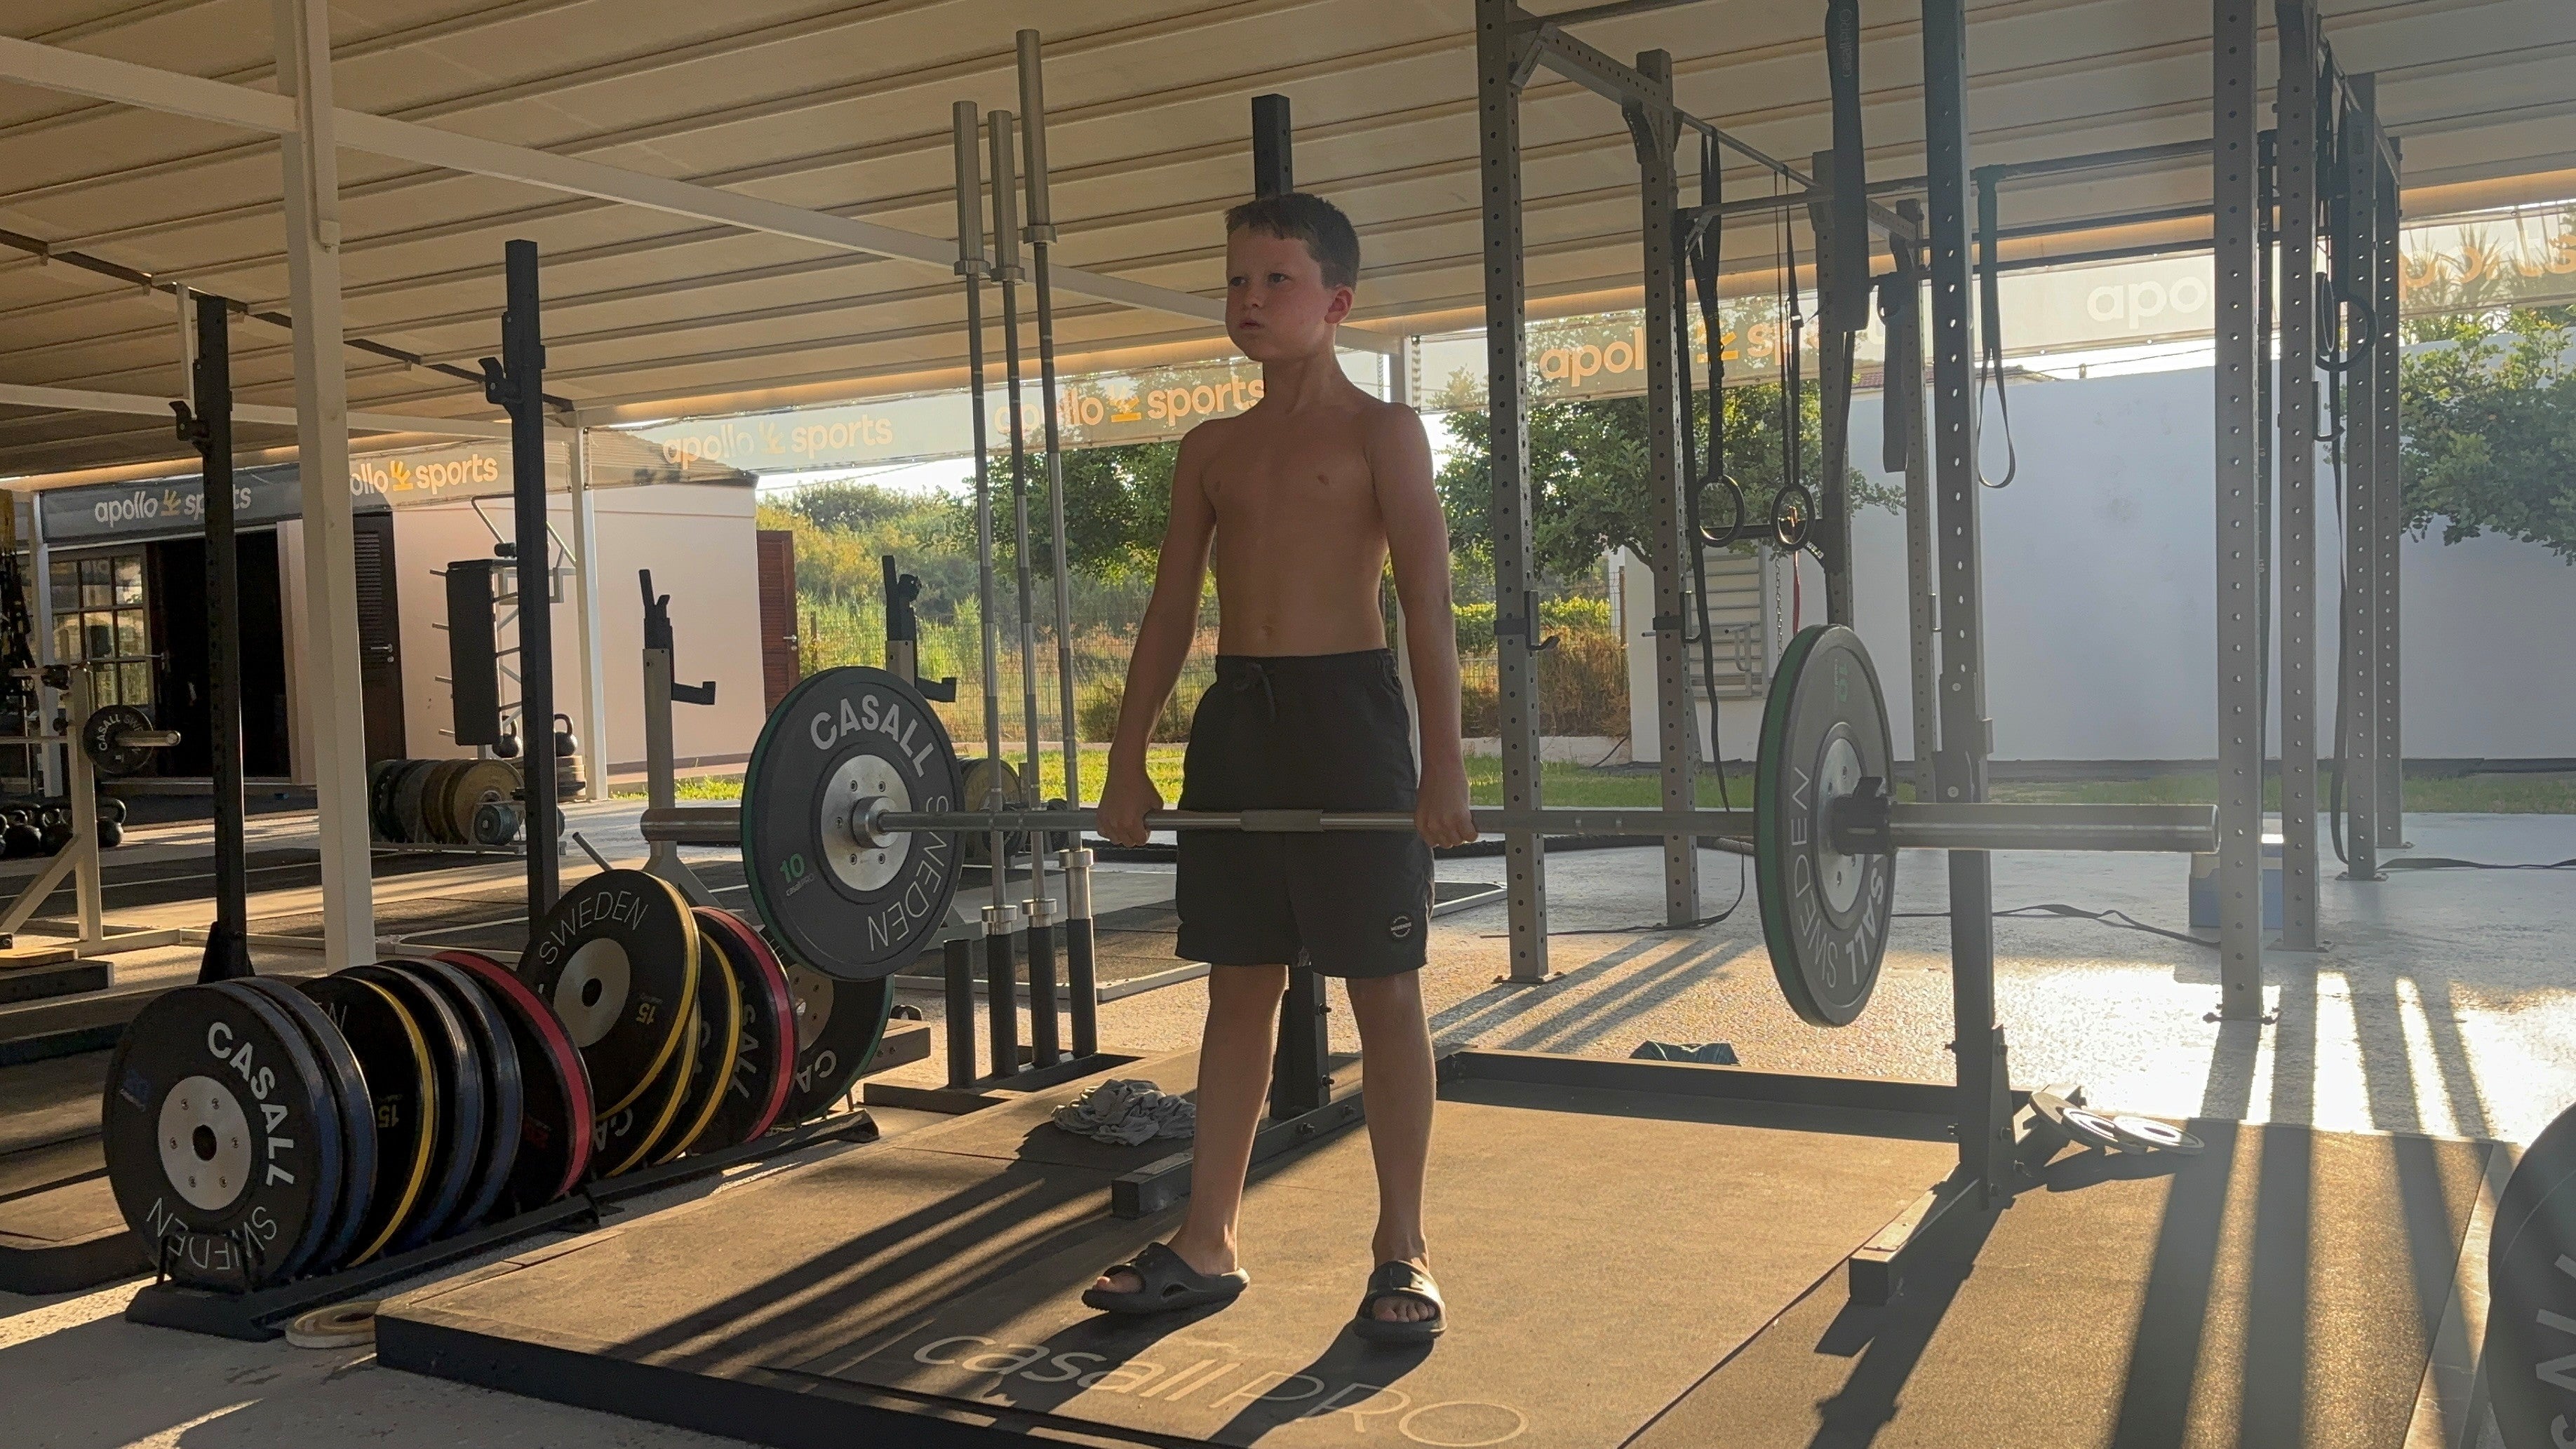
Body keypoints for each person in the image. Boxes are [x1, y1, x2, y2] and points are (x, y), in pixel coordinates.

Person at [1081, 191, 1475, 1343]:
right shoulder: (1211, 449)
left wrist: (1440, 763)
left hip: (1350, 715)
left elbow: (1429, 602)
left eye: (1277, 281)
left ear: (1336, 303)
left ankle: (1403, 1245)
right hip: (1239, 717)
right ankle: (1209, 1240)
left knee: (1384, 991)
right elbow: (1166, 610)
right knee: (1238, 985)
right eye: (1237, 283)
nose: (1250, 301)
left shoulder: (1382, 434)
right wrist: (1126, 761)